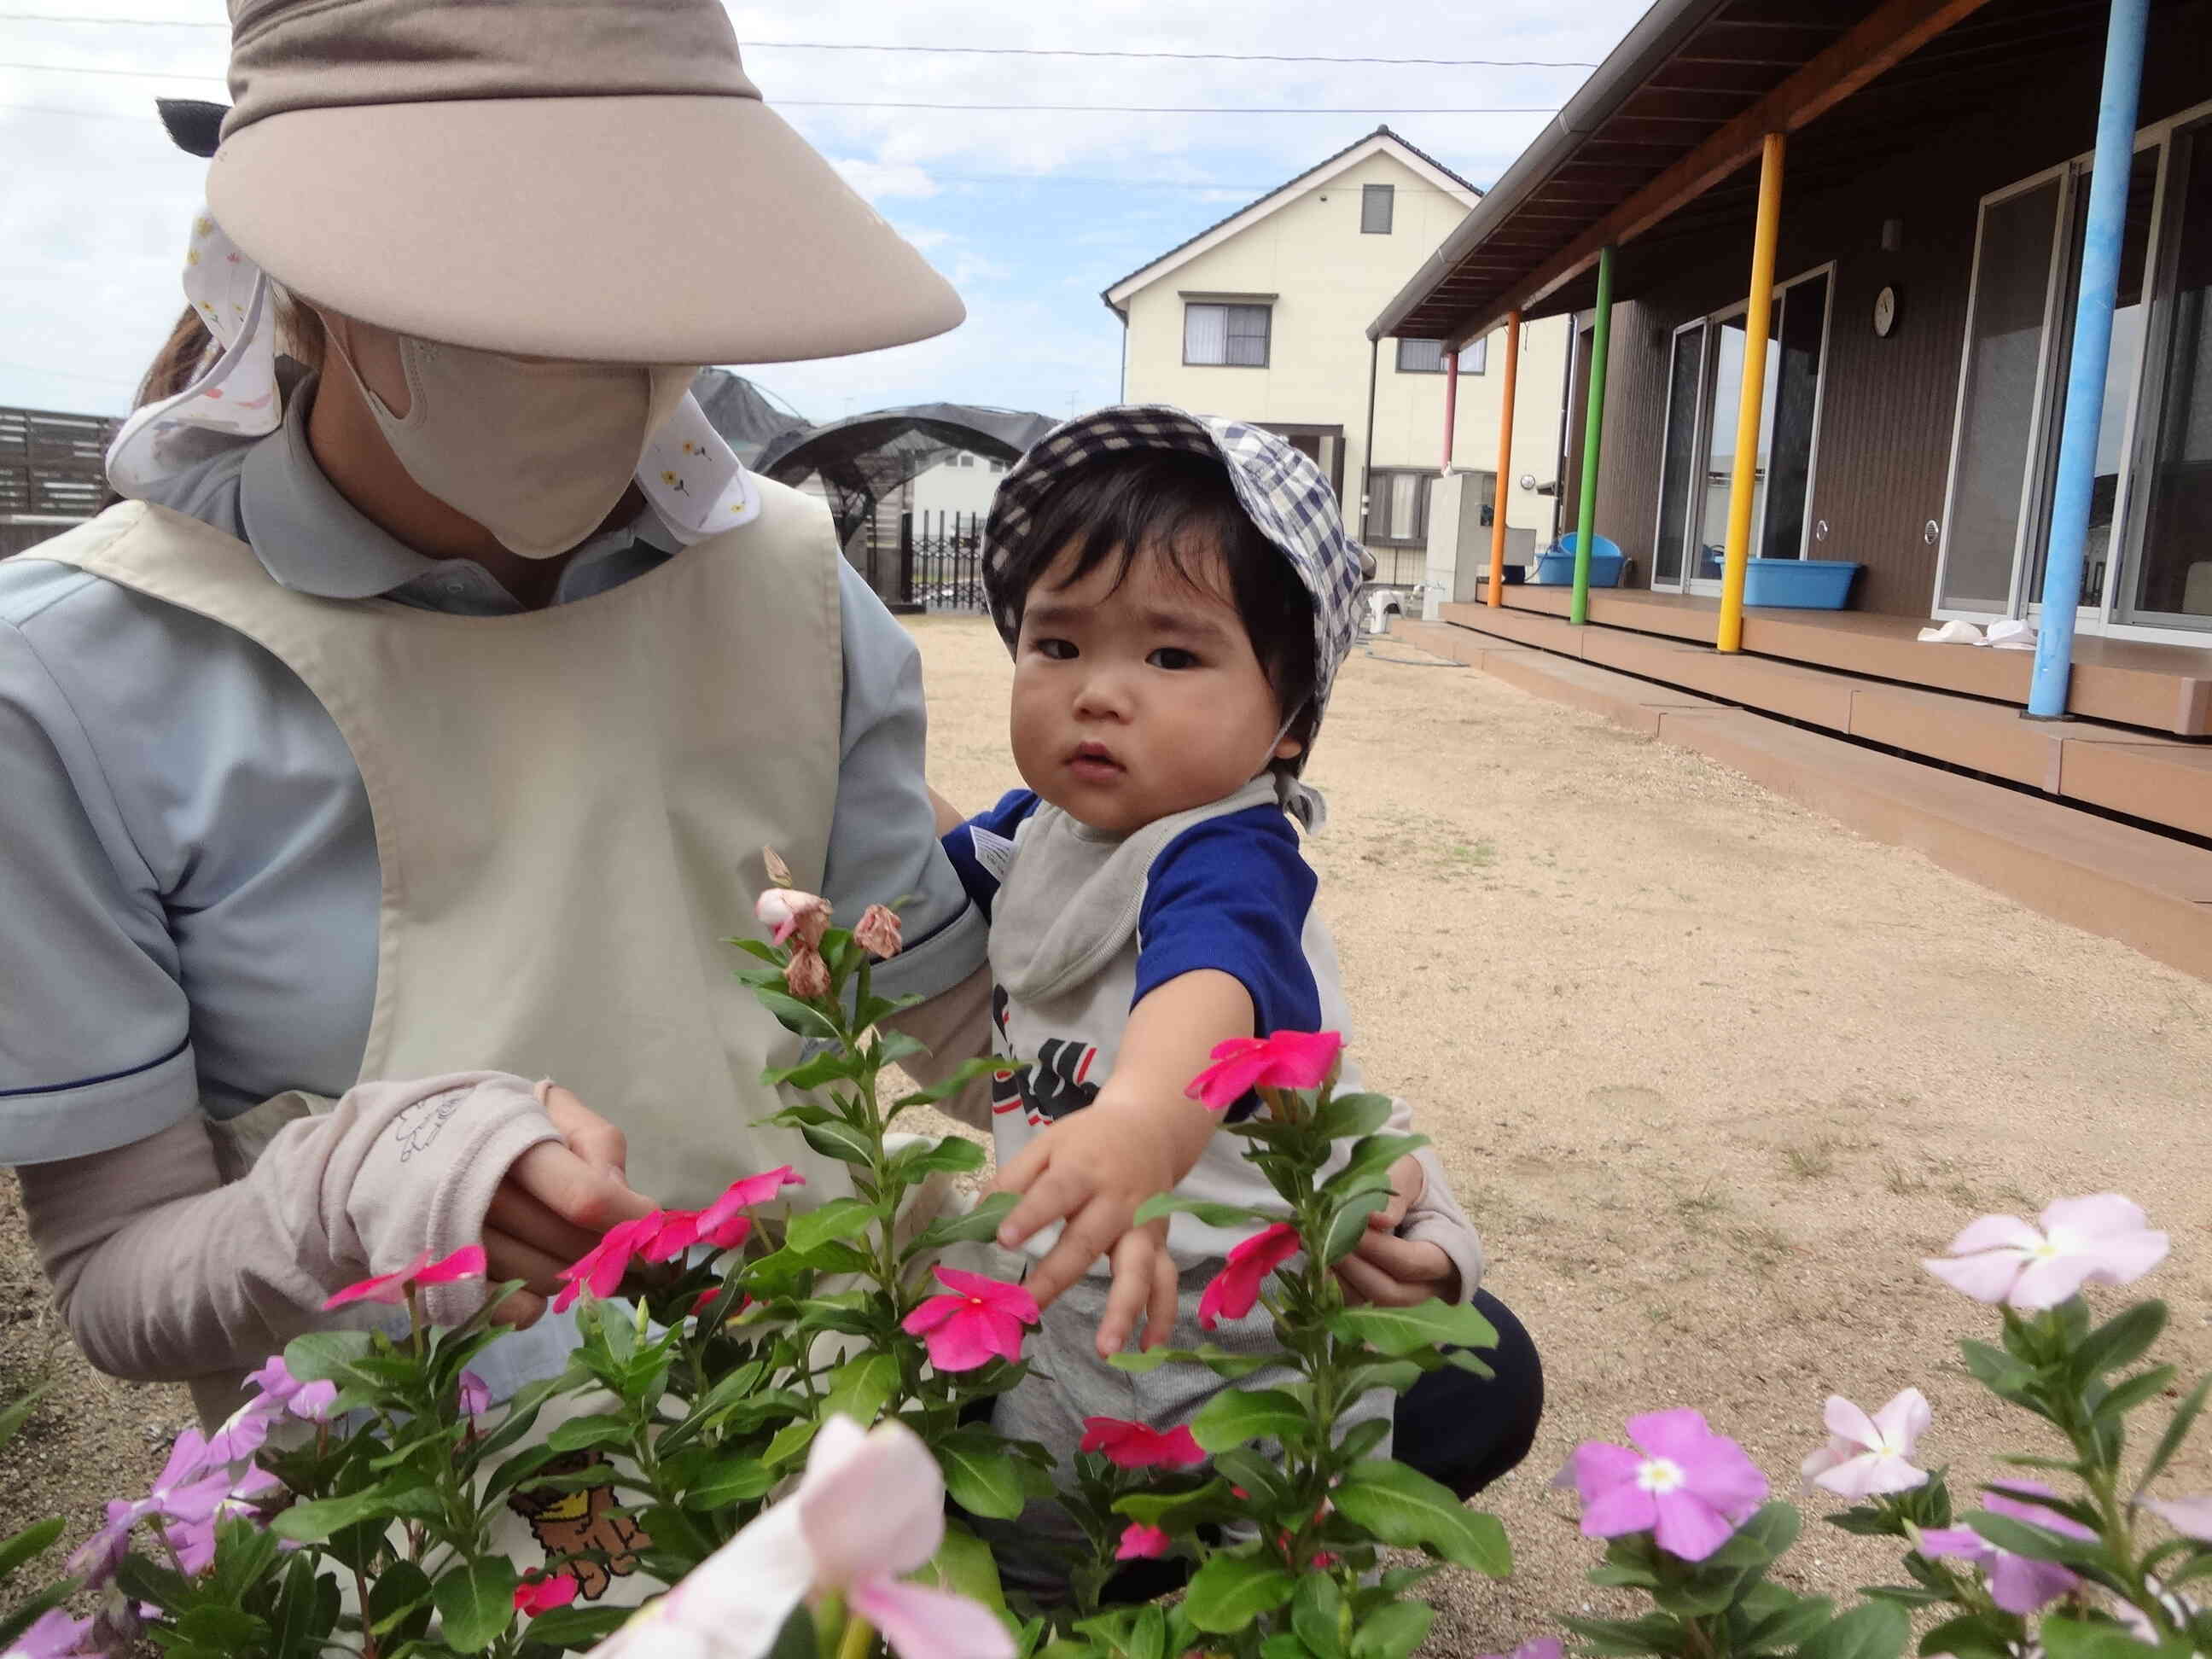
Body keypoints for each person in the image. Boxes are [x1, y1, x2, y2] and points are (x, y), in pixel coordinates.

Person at [0, 0, 1521, 1600]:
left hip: (816, 1386)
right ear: (304, 272)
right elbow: (117, 1278)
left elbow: (965, 1010)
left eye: (651, 271)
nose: (604, 352)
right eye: (514, 276)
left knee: (1475, 1370)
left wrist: (1291, 1160)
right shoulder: (83, 676)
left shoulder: (793, 588)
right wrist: (357, 1181)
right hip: (446, 1510)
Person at [933, 407, 1541, 1597]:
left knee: (1462, 1376)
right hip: (1083, 1299)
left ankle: (1210, 1566)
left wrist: (1145, 1119)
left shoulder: (1228, 854)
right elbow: (941, 883)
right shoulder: (1039, 828)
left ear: (1291, 723)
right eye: (1056, 645)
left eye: (1170, 656)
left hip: (1216, 1331)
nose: (1097, 694)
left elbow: (1206, 977)